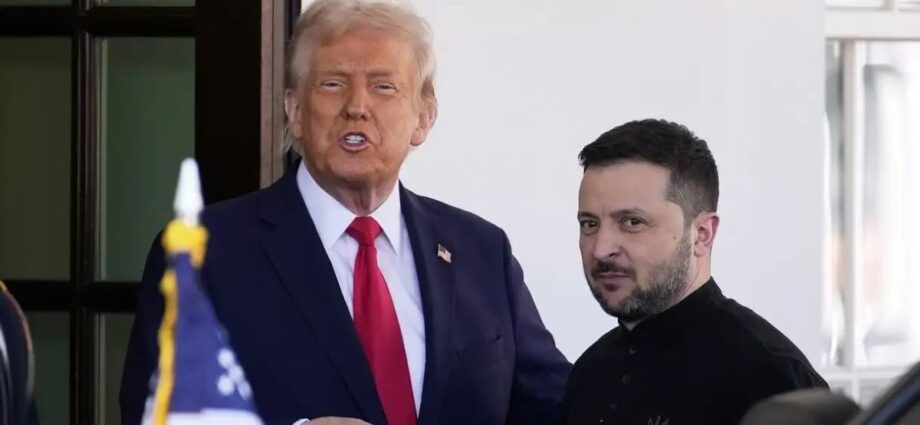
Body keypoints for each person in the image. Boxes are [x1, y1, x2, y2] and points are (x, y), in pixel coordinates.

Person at [118, 1, 571, 425]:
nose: (357, 107)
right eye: (333, 84)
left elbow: (559, 408)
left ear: (423, 118)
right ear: (295, 111)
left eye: (383, 86)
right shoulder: (208, 254)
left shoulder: (481, 250)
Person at [562, 119, 827, 425]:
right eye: (589, 224)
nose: (600, 249)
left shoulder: (771, 379)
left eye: (632, 222)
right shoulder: (589, 373)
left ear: (702, 234)